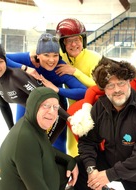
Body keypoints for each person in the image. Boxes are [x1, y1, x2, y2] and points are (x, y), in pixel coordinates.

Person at [74, 56, 136, 190]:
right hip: (114, 159)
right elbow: (87, 141)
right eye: (110, 85)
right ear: (104, 88)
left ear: (129, 82)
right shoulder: (100, 106)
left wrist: (109, 175)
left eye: (121, 83)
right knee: (79, 165)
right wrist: (91, 169)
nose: (117, 90)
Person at [6, 33, 88, 153]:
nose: (51, 60)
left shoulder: (60, 68)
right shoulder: (29, 60)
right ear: (37, 55)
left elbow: (83, 92)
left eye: (55, 55)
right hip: (28, 103)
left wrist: (57, 89)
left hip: (55, 106)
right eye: (46, 55)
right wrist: (25, 68)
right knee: (21, 137)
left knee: (56, 144)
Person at [69, 49, 136, 139]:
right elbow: (92, 90)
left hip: (106, 124)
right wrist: (86, 111)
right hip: (83, 118)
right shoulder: (124, 82)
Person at [0, 87, 78, 190]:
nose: (52, 112)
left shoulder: (31, 125)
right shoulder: (25, 139)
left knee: (80, 163)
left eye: (55, 107)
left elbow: (43, 148)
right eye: (46, 106)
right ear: (34, 106)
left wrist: (69, 160)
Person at [55, 18, 102, 156]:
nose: (74, 44)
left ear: (83, 41)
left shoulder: (95, 58)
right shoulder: (59, 56)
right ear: (63, 44)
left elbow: (100, 86)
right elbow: (38, 53)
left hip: (94, 110)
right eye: (69, 40)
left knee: (93, 147)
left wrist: (75, 72)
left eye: (78, 39)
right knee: (72, 147)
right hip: (72, 111)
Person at [0, 43, 44, 130]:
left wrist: (67, 117)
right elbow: (3, 105)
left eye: (0, 61)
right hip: (34, 113)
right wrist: (11, 130)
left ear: (5, 62)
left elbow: (45, 99)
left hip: (51, 112)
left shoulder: (16, 76)